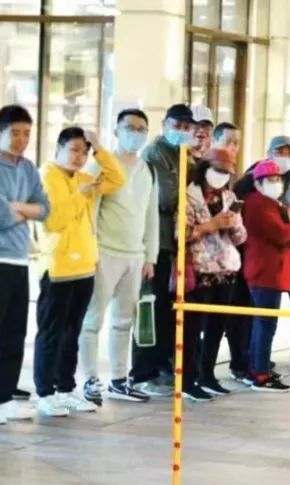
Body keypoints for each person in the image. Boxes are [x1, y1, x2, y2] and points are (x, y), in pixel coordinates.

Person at [0, 104, 50, 425]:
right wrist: (23, 210)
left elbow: (44, 208)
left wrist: (20, 207)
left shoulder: (27, 167)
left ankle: (2, 396)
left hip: (18, 257)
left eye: (27, 133)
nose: (21, 140)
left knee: (14, 331)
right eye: (14, 133)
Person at [35, 127, 123, 417]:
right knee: (52, 332)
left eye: (84, 152)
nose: (80, 157)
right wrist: (80, 195)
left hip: (84, 266)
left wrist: (99, 148)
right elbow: (54, 220)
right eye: (74, 150)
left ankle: (64, 388)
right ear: (58, 148)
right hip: (57, 268)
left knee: (72, 331)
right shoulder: (47, 176)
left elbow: (117, 179)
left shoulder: (83, 178)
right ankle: (45, 392)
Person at [80, 108, 158, 405]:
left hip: (135, 256)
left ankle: (118, 379)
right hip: (104, 253)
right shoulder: (101, 166)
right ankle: (89, 379)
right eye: (129, 127)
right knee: (93, 319)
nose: (135, 133)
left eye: (141, 129)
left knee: (124, 321)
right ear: (116, 131)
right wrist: (91, 251)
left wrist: (150, 255)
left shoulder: (147, 169)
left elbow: (150, 215)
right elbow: (91, 210)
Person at [130, 104, 193, 397]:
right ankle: (142, 373)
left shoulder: (181, 154)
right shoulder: (154, 154)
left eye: (186, 127)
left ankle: (160, 367)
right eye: (176, 125)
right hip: (153, 243)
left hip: (172, 244)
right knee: (150, 309)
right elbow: (166, 197)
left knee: (166, 312)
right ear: (165, 124)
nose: (181, 131)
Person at [180, 148, 246, 400]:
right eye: (217, 170)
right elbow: (182, 234)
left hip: (226, 268)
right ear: (205, 169)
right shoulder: (189, 197)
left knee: (217, 327)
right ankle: (187, 379)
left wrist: (233, 224)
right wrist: (212, 225)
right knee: (193, 328)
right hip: (200, 269)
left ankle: (207, 374)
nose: (221, 176)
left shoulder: (229, 197)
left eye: (226, 172)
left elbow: (241, 237)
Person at [242, 160, 290, 391]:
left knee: (264, 324)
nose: (276, 184)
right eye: (270, 180)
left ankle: (258, 369)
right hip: (265, 272)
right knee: (265, 325)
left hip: (272, 272)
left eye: (278, 180)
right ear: (258, 184)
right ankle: (260, 374)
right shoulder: (258, 204)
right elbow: (282, 234)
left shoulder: (270, 203)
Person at [234, 136, 290, 200]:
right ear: (269, 154)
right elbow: (237, 195)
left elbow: (285, 200)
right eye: (280, 152)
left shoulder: (289, 175)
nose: (285, 157)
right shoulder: (258, 171)